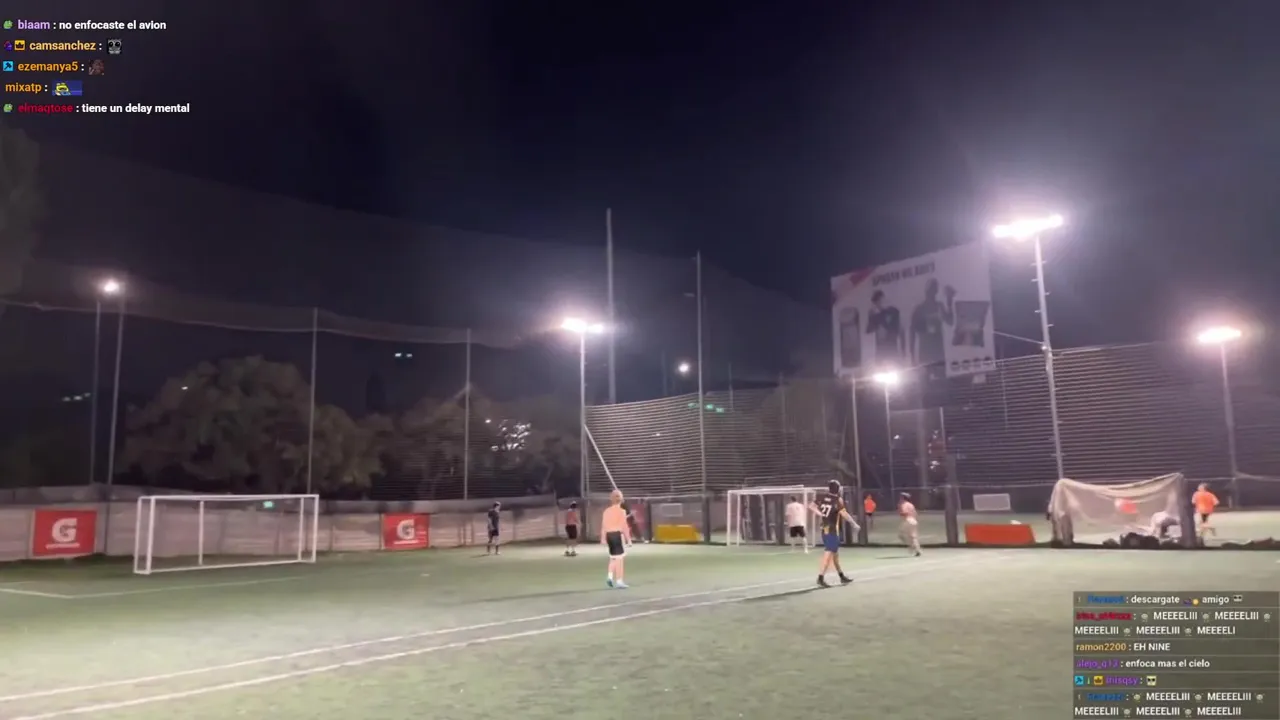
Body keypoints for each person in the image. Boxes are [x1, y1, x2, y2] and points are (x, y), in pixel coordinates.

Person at [809, 480, 858, 588]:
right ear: (837, 489)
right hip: (832, 530)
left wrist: (819, 513)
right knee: (829, 553)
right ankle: (820, 577)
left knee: (835, 554)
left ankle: (841, 576)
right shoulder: (837, 500)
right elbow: (844, 513)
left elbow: (811, 506)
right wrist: (853, 523)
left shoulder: (822, 497)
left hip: (824, 528)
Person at [909, 278, 955, 368]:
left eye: (934, 289)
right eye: (931, 289)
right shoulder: (919, 310)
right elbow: (912, 333)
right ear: (927, 291)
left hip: (938, 354)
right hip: (925, 354)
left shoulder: (939, 306)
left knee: (939, 375)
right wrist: (912, 357)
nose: (932, 293)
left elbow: (950, 322)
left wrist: (949, 301)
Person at [601, 489, 632, 588]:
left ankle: (610, 577)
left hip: (609, 536)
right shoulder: (622, 511)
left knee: (613, 557)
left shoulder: (606, 511)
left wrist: (603, 538)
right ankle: (619, 581)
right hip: (617, 535)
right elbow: (624, 526)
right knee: (619, 559)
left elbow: (603, 526)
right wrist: (628, 539)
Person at [866, 290, 904, 365]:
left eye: (879, 301)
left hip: (892, 350)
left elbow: (899, 330)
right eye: (876, 303)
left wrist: (903, 351)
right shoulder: (875, 316)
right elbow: (869, 330)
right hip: (881, 352)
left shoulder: (893, 312)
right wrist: (871, 316)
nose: (878, 305)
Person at [898, 492, 921, 557]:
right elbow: (915, 513)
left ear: (903, 498)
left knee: (901, 535)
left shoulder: (904, 504)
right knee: (913, 537)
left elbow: (905, 513)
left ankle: (911, 546)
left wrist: (900, 512)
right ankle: (917, 550)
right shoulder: (911, 505)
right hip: (913, 521)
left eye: (901, 497)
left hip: (908, 520)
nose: (900, 498)